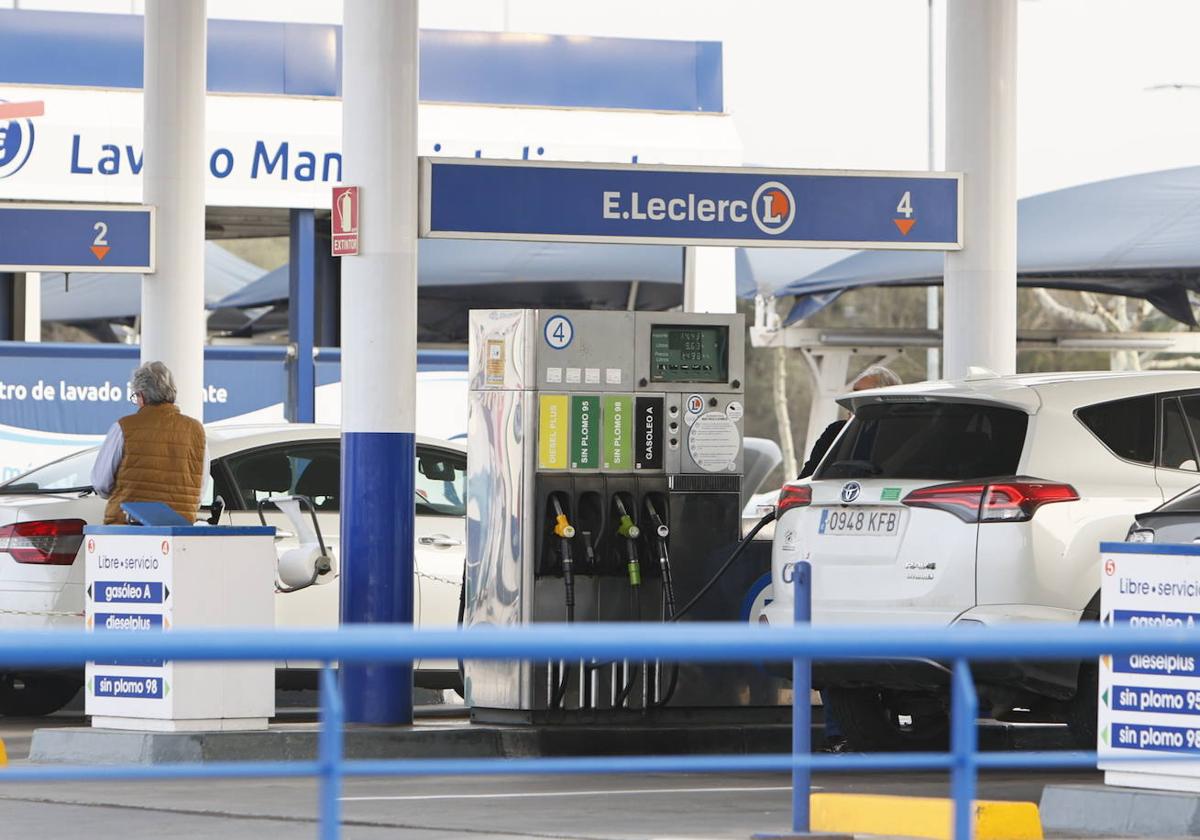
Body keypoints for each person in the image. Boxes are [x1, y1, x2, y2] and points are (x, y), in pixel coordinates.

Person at [797, 364, 901, 751]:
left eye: (866, 399)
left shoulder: (913, 438)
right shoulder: (835, 436)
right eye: (853, 401)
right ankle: (840, 734)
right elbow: (807, 482)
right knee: (834, 643)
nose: (856, 410)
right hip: (836, 553)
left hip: (888, 558)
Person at [91, 361, 209, 525]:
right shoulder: (197, 431)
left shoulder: (124, 427)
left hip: (127, 528)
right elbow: (200, 489)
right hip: (177, 532)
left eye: (136, 396)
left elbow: (101, 483)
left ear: (142, 396)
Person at [798, 365, 902, 479]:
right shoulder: (835, 432)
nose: (853, 400)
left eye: (861, 395)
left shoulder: (901, 436)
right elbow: (808, 476)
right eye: (853, 393)